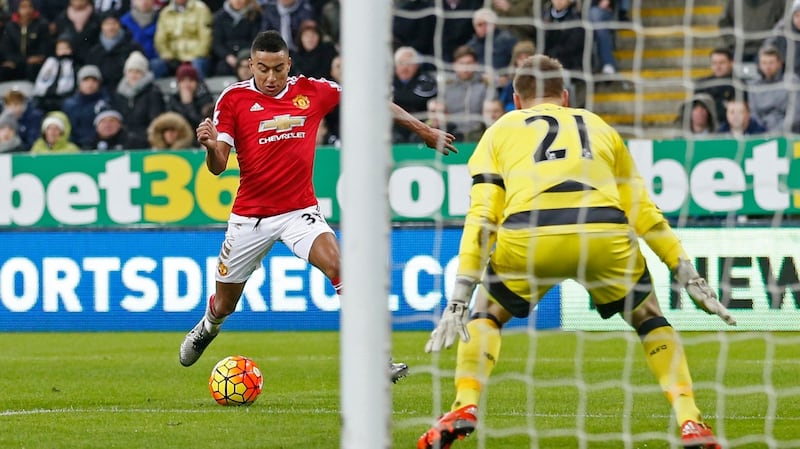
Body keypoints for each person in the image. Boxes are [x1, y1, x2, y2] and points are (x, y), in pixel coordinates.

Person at [417, 54, 736, 449]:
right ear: (564, 97)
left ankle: (465, 406)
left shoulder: (500, 130)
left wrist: (459, 297)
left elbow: (482, 217)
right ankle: (691, 422)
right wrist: (684, 269)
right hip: (603, 231)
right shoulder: (599, 126)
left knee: (487, 313)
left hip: (530, 233)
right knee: (649, 317)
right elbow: (643, 211)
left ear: (516, 99)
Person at [178, 30, 457, 384]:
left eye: (278, 68)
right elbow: (219, 165)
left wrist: (423, 130)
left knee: (342, 267)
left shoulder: (311, 90)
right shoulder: (233, 99)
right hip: (250, 218)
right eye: (262, 68)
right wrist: (209, 145)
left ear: (289, 64)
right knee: (225, 304)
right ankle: (207, 327)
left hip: (299, 212)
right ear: (250, 65)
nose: (270, 77)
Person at [747, 44, 800, 134]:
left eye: (771, 62)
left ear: (780, 63)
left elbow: (796, 113)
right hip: (762, 133)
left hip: (790, 133)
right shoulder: (753, 85)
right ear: (759, 64)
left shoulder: (792, 81)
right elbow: (753, 114)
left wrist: (777, 132)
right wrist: (763, 131)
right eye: (764, 63)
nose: (768, 67)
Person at [63, 64, 111, 149]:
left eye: (94, 80)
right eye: (86, 80)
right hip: (74, 147)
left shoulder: (105, 103)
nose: (90, 84)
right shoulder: (69, 105)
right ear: (79, 83)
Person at [694, 47, 739, 128]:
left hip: (730, 126)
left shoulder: (739, 84)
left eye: (722, 63)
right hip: (706, 127)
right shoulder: (702, 84)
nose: (718, 67)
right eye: (714, 63)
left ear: (731, 63)